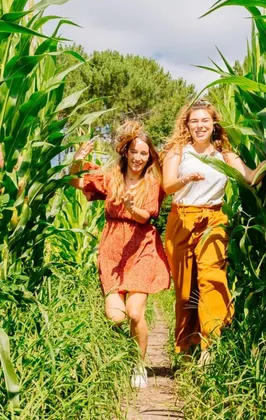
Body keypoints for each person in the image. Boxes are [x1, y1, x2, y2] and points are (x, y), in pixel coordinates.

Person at [162, 99, 266, 364]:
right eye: (194, 121)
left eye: (204, 120)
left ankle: (209, 345)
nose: (199, 125)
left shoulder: (225, 154)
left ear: (213, 124)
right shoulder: (178, 151)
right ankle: (184, 350)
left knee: (212, 279)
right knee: (185, 290)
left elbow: (250, 178)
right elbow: (167, 186)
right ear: (186, 125)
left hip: (214, 219)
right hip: (182, 219)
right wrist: (186, 179)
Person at [70, 121, 170, 388]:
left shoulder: (152, 184)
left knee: (135, 312)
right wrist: (77, 160)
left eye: (144, 153)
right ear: (126, 152)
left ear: (150, 157)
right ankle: (122, 356)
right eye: (134, 152)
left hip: (142, 247)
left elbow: (147, 215)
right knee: (115, 316)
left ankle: (139, 365)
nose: (138, 158)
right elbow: (75, 181)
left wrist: (130, 206)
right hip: (112, 249)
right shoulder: (111, 177)